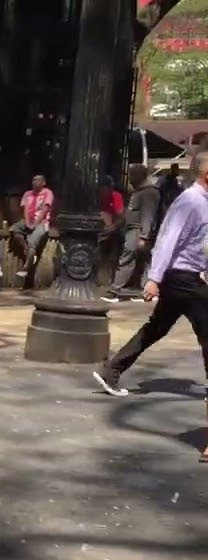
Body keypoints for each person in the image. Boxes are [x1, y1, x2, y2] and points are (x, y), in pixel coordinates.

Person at [93, 151, 208, 463]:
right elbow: (169, 239)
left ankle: (112, 369)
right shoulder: (190, 202)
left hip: (190, 277)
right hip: (183, 278)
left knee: (156, 328)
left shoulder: (203, 201)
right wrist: (154, 278)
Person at [105, 164, 161, 302]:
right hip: (134, 230)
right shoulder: (140, 192)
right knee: (144, 261)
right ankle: (145, 290)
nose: (129, 179)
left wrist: (144, 236)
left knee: (128, 258)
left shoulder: (148, 193)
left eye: (132, 175)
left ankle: (115, 289)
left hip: (138, 231)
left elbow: (148, 215)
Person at [11, 174, 54, 278]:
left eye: (38, 180)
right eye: (33, 180)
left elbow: (44, 210)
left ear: (43, 183)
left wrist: (34, 224)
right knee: (14, 229)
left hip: (42, 222)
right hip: (29, 220)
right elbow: (25, 209)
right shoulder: (27, 194)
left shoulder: (47, 193)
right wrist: (27, 222)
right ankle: (27, 250)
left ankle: (26, 267)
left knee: (32, 241)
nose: (35, 182)